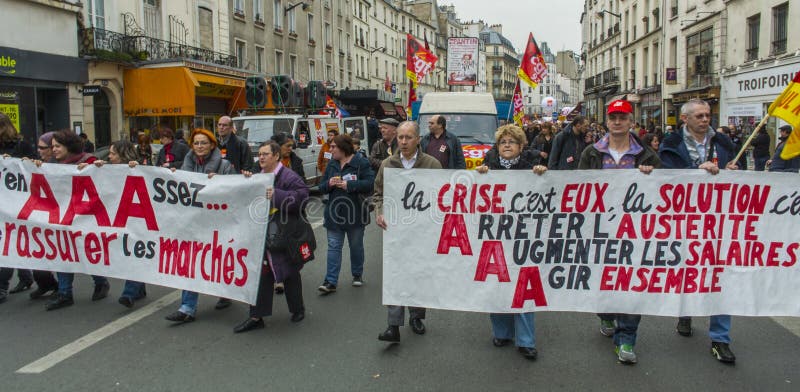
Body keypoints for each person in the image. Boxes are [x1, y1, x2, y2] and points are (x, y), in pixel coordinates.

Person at [658, 98, 738, 364]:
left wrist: (735, 172)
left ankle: (720, 338)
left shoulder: (724, 143)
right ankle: (686, 311)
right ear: (685, 119)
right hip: (685, 220)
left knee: (720, 276)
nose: (705, 120)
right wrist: (697, 172)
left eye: (707, 115)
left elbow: (741, 174)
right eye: (699, 116)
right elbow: (668, 177)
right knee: (687, 271)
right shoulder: (670, 145)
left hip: (719, 220)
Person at [475, 124, 541, 360]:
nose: (506, 145)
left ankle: (525, 340)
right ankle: (502, 332)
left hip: (524, 236)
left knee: (524, 286)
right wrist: (480, 176)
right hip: (496, 235)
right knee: (498, 283)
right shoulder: (488, 166)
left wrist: (542, 174)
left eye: (511, 142)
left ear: (521, 146)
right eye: (503, 142)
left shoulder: (533, 167)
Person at [373, 121, 443, 343]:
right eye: (400, 137)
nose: (403, 142)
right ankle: (393, 325)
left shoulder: (431, 164)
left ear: (418, 139)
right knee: (395, 276)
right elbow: (378, 194)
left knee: (418, 275)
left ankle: (416, 315)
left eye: (408, 137)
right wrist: (380, 211)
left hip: (422, 232)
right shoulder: (388, 164)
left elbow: (442, 196)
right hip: (395, 231)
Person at [233, 141, 309, 333]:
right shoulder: (258, 177)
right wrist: (246, 181)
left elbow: (302, 198)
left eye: (266, 154)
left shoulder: (289, 176)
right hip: (262, 235)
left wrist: (277, 195)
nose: (262, 157)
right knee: (261, 275)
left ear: (276, 156)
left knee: (290, 272)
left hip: (285, 234)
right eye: (259, 154)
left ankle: (297, 309)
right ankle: (256, 316)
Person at [164, 128, 235, 323]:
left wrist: (220, 183)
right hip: (193, 222)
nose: (200, 146)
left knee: (218, 259)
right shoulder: (184, 167)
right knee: (191, 261)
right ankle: (187, 307)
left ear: (212, 145)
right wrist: (172, 176)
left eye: (204, 143)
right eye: (196, 143)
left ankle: (226, 292)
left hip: (218, 221)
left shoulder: (225, 165)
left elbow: (235, 192)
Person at [38, 130, 110, 310]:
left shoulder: (89, 161)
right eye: (52, 146)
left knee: (85, 252)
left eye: (57, 146)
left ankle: (100, 282)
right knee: (64, 252)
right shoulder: (53, 164)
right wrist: (35, 166)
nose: (53, 150)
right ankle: (65, 293)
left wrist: (99, 168)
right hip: (63, 217)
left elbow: (105, 183)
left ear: (68, 146)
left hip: (86, 216)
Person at [92, 141, 148, 308]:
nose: (109, 157)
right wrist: (96, 169)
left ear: (123, 155)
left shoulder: (138, 169)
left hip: (137, 220)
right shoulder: (107, 169)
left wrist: (138, 169)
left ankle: (129, 293)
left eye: (113, 154)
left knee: (134, 255)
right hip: (117, 221)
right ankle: (139, 289)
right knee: (127, 254)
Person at [318, 134, 374, 293]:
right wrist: (328, 183)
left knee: (355, 246)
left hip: (355, 213)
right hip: (334, 213)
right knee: (333, 246)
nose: (331, 149)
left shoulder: (360, 162)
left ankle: (357, 274)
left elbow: (370, 184)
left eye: (334, 146)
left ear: (343, 148)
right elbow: (321, 187)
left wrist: (349, 185)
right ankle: (330, 281)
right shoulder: (332, 164)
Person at [0, 113, 38, 303]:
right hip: (2, 202)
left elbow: (35, 167)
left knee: (8, 241)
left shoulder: (20, 145)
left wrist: (13, 161)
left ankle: (1, 286)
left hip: (17, 201)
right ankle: (25, 276)